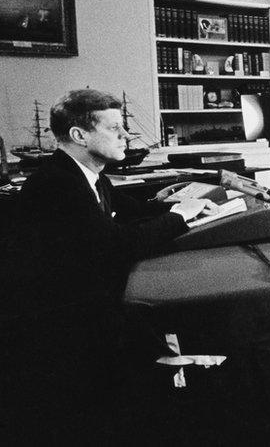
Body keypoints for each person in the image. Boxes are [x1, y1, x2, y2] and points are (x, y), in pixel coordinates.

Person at [1, 89, 214, 443]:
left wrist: (183, 204)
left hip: (83, 307)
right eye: (115, 128)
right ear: (79, 135)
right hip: (60, 327)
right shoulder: (57, 184)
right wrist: (179, 217)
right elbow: (115, 246)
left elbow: (133, 211)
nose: (126, 135)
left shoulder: (88, 174)